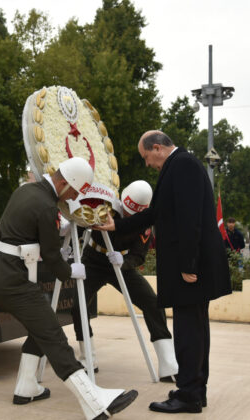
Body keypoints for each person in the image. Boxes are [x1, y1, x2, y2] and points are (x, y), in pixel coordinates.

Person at [0, 157, 138, 420]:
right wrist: (69, 271)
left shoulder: (26, 190)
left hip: (1, 273)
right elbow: (52, 255)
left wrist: (58, 230)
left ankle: (27, 387)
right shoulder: (45, 206)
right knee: (53, 334)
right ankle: (93, 401)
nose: (74, 198)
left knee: (42, 326)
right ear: (65, 183)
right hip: (13, 279)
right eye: (75, 192)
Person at [95, 131, 231, 414]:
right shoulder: (180, 165)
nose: (147, 164)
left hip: (191, 268)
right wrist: (116, 226)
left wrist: (188, 265)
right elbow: (156, 213)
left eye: (146, 157)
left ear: (157, 148)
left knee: (188, 332)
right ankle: (193, 390)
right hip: (191, 265)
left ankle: (189, 395)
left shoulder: (182, 165)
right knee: (194, 329)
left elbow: (190, 218)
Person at [69, 180, 178, 382]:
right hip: (93, 261)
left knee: (153, 303)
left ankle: (168, 364)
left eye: (132, 215)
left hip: (121, 265)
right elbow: (82, 220)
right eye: (125, 211)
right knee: (78, 306)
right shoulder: (105, 204)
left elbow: (139, 255)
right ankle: (87, 359)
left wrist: (124, 262)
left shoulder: (145, 223)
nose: (127, 216)